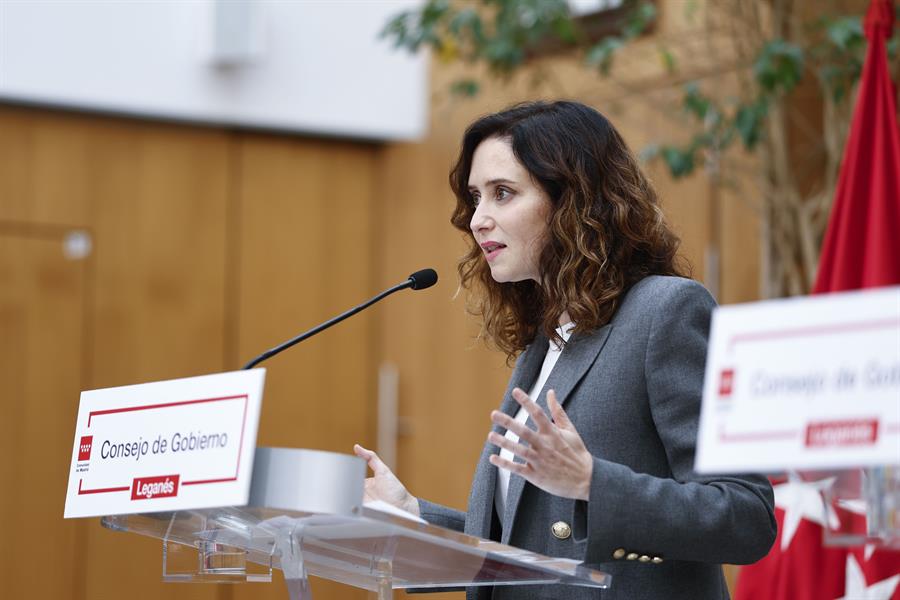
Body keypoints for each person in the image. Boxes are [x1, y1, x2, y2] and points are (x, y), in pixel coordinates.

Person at [354, 100, 776, 600]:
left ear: (573, 200)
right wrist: (415, 520)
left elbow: (745, 516)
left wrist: (595, 483)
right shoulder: (550, 336)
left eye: (503, 194)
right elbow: (523, 547)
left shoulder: (666, 311)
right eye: (475, 197)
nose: (478, 220)